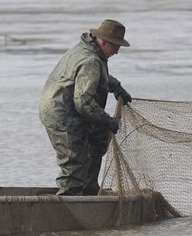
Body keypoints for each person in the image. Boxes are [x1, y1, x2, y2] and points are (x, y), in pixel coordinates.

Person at [39, 19, 133, 196]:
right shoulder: (90, 59)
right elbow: (84, 102)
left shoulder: (88, 49)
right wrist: (108, 120)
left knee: (98, 140)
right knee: (74, 165)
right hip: (62, 115)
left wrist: (116, 86)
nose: (117, 52)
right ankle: (68, 204)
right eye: (115, 47)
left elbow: (95, 76)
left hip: (70, 109)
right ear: (103, 42)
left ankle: (89, 190)